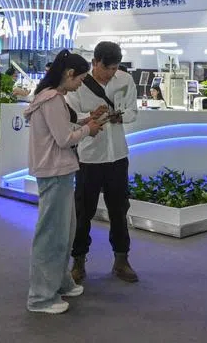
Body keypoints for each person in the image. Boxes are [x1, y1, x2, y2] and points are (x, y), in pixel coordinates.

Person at [24, 50, 106, 314]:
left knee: (64, 232)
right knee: (52, 236)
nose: (81, 84)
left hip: (58, 171)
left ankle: (59, 282)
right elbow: (63, 139)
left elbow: (61, 129)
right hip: (54, 172)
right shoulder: (51, 100)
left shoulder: (52, 99)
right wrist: (88, 130)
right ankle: (40, 297)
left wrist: (85, 122)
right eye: (80, 79)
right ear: (69, 74)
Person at [66, 42, 140, 285]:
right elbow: (72, 118)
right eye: (106, 68)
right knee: (83, 211)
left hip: (117, 155)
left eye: (115, 68)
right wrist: (90, 120)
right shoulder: (79, 85)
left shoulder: (125, 80)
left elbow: (132, 111)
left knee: (119, 209)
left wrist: (121, 116)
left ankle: (121, 260)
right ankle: (78, 261)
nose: (110, 73)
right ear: (95, 62)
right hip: (89, 157)